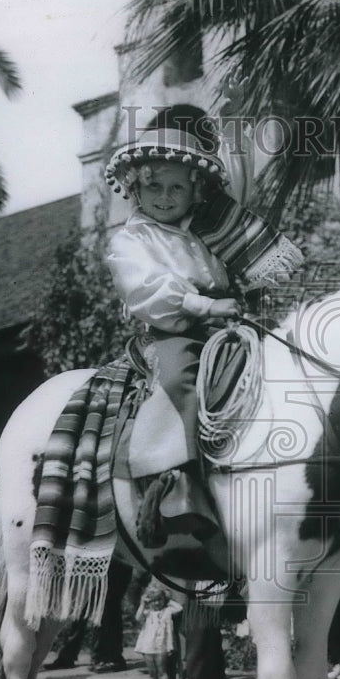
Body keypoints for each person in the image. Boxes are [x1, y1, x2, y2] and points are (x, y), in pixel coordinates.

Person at [105, 105, 302, 543]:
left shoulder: (211, 228)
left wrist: (234, 124)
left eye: (177, 188)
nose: (165, 197)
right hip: (176, 330)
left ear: (195, 190)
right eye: (154, 187)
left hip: (232, 322)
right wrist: (202, 306)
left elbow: (240, 178)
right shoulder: (131, 240)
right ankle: (172, 482)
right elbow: (144, 291)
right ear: (136, 187)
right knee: (179, 378)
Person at [133, 580, 182, 679]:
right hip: (148, 645)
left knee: (162, 670)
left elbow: (179, 608)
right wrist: (143, 603)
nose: (156, 603)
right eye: (153, 600)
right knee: (152, 672)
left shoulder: (167, 611)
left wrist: (167, 598)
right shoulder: (148, 612)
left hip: (162, 645)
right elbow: (137, 617)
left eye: (159, 599)